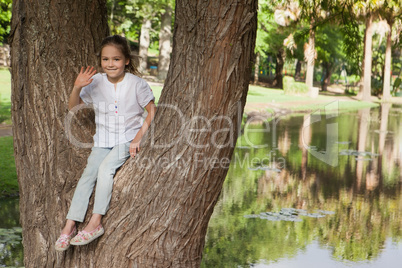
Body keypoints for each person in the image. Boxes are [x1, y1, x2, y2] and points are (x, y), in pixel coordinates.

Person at [55, 35, 156, 251]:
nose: (110, 64)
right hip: (103, 139)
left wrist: (138, 138)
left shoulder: (137, 84)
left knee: (105, 170)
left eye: (116, 59)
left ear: (126, 60)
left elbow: (152, 111)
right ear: (101, 61)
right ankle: (69, 226)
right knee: (88, 175)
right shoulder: (97, 82)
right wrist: (76, 87)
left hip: (127, 138)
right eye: (106, 59)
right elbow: (74, 108)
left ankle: (95, 223)